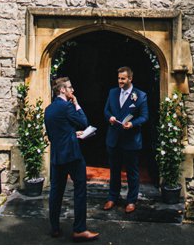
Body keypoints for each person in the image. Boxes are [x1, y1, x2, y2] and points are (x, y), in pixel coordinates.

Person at [45, 76, 99, 241]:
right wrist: (76, 103)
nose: (72, 90)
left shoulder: (49, 109)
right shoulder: (67, 106)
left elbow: (55, 133)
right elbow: (83, 121)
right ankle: (79, 229)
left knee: (56, 191)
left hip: (57, 156)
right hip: (72, 156)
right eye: (70, 87)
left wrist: (71, 134)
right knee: (80, 190)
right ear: (62, 90)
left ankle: (55, 227)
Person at [103, 66, 148, 213]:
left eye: (123, 79)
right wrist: (109, 117)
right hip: (114, 138)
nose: (120, 81)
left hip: (131, 139)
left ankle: (131, 200)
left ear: (130, 79)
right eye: (119, 78)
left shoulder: (140, 95)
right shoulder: (112, 92)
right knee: (114, 170)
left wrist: (132, 124)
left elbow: (144, 116)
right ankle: (112, 197)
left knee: (132, 171)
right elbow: (106, 110)